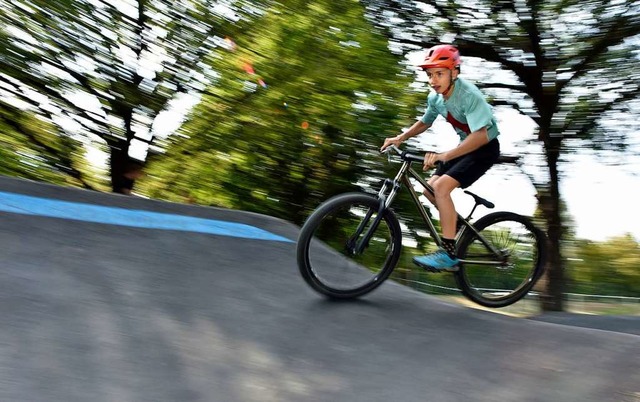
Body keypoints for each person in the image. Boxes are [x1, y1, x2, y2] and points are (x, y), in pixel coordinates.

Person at [380, 44, 500, 272]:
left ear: (454, 72)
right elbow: (425, 121)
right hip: (465, 146)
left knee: (442, 187)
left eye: (440, 73)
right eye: (429, 74)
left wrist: (444, 156)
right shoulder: (436, 98)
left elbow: (481, 135)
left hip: (485, 147)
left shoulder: (469, 95)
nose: (433, 80)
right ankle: (453, 227)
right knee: (429, 189)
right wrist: (400, 137)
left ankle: (449, 253)